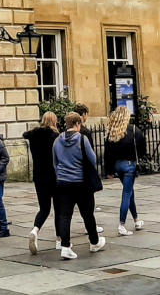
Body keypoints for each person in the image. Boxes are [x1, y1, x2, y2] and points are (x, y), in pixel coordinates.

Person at [53, 111, 105, 260]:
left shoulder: (57, 140)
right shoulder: (82, 139)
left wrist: (62, 174)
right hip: (81, 182)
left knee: (64, 215)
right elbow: (93, 159)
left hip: (63, 182)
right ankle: (94, 242)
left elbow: (55, 163)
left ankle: (65, 246)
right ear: (77, 124)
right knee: (87, 213)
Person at [104, 105, 146, 236]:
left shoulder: (113, 131)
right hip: (129, 165)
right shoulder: (134, 130)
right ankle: (121, 225)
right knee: (127, 193)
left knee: (129, 191)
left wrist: (109, 170)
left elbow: (107, 153)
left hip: (117, 166)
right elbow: (142, 149)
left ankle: (136, 220)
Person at [23, 111, 60, 253]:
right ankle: (59, 239)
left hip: (39, 176)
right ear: (54, 121)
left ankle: (35, 230)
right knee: (58, 208)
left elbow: (26, 135)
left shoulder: (33, 136)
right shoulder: (55, 136)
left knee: (44, 208)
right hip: (54, 176)